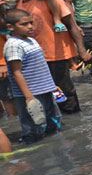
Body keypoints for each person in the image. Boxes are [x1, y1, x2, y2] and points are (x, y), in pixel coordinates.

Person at [3, 9, 61, 143]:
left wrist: (52, 85)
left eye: (31, 23)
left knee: (52, 122)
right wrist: (28, 96)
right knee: (33, 127)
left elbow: (40, 67)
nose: (30, 26)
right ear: (11, 27)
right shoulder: (13, 45)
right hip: (30, 93)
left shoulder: (31, 41)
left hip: (44, 89)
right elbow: (17, 73)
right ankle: (33, 152)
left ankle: (55, 150)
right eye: (24, 24)